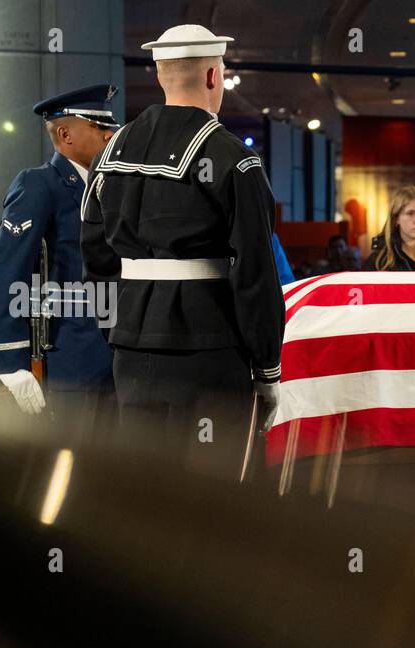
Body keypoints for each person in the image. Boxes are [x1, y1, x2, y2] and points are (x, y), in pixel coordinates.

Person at [82, 24, 286, 468]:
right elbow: (255, 275)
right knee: (214, 500)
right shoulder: (234, 157)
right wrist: (267, 368)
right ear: (214, 76)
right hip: (210, 353)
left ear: (160, 75)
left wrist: (120, 331)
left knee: (144, 491)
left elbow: (96, 261)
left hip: (131, 354)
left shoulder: (109, 154)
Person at [0, 84, 119, 419]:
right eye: (99, 127)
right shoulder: (40, 184)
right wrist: (12, 361)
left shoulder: (113, 186)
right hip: (68, 358)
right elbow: (7, 269)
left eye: (110, 127)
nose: (109, 136)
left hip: (117, 356)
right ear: (65, 133)